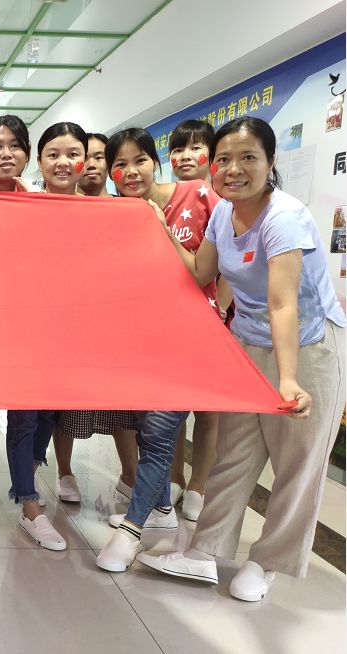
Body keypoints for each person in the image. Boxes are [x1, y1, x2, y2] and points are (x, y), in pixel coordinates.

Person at [137, 117, 345, 601]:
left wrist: (289, 379)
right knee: (235, 452)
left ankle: (268, 561)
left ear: (270, 163)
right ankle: (203, 551)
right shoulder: (222, 215)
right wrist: (162, 230)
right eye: (224, 159)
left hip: (308, 346)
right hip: (249, 343)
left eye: (248, 157)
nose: (234, 169)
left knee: (297, 461)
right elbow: (200, 272)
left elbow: (283, 304)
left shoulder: (284, 218)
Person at [95, 126, 221, 573]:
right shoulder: (117, 213)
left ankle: (130, 531)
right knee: (151, 430)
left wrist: (220, 315)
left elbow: (219, 264)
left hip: (191, 342)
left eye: (140, 161)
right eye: (120, 165)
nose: (130, 171)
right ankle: (161, 507)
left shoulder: (197, 195)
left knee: (158, 431)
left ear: (155, 161)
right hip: (141, 343)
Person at [0, 115, 66, 551]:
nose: (6, 153)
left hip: (47, 323)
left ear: (28, 155)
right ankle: (28, 504)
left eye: (15, 146)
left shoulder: (36, 200)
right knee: (23, 414)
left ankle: (30, 471)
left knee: (49, 411)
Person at [32, 123, 138, 505]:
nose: (79, 163)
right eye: (55, 154)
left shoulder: (116, 210)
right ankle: (60, 471)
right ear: (40, 160)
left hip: (104, 326)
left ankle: (132, 477)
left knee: (120, 406)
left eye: (90, 156)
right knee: (58, 407)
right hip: (50, 325)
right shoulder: (31, 204)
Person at [166, 119, 231, 519]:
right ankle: (173, 478)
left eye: (195, 148)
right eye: (177, 150)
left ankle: (198, 486)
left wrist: (218, 311)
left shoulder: (222, 202)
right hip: (172, 322)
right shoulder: (164, 200)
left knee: (208, 411)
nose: (186, 156)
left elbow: (233, 268)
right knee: (171, 410)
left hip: (213, 322)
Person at [77, 132, 111, 197]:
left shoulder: (125, 202)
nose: (91, 165)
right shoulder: (60, 202)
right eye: (84, 158)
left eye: (98, 157)